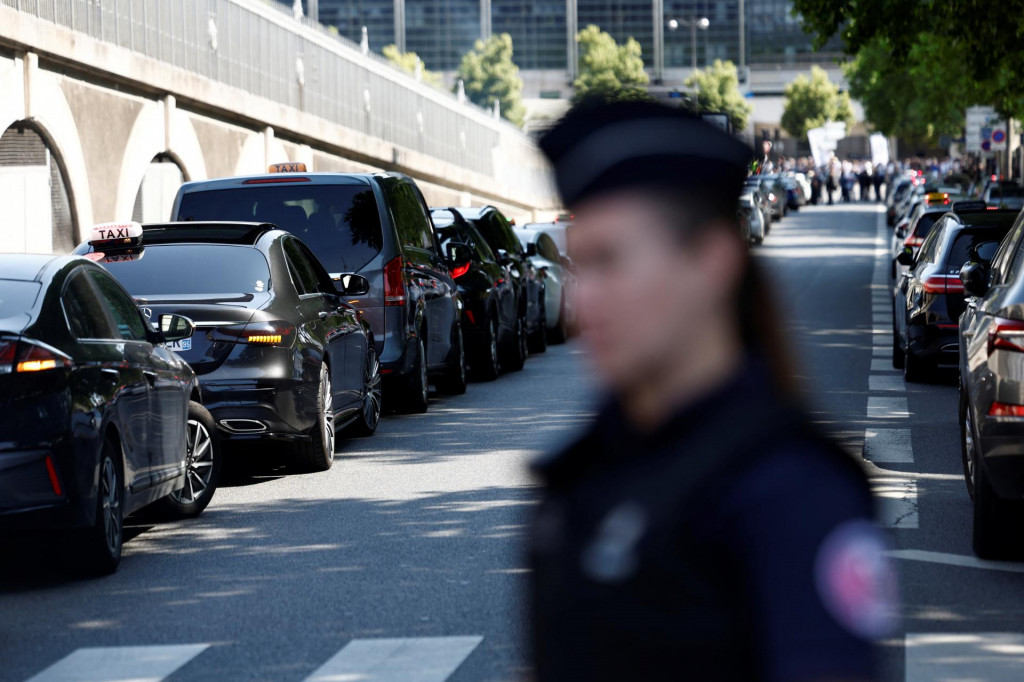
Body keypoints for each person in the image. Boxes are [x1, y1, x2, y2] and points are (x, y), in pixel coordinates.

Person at [528, 99, 896, 682]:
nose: (581, 302)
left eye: (611, 261)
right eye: (580, 265)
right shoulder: (583, 476)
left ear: (713, 261)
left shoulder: (790, 491)